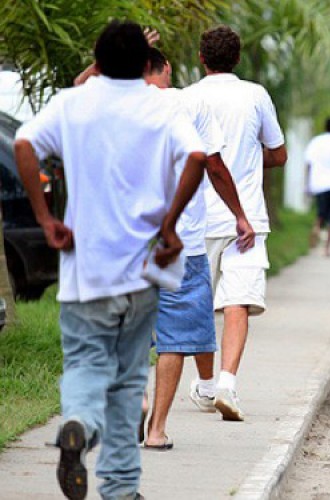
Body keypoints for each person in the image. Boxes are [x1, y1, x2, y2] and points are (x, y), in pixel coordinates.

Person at [14, 21, 206, 499]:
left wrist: (44, 218)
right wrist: (169, 224)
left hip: (85, 270)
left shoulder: (73, 104)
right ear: (147, 65)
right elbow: (198, 157)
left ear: (96, 62)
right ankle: (120, 488)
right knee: (126, 380)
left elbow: (23, 144)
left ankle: (79, 419)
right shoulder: (162, 106)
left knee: (84, 362)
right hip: (141, 271)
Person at [138, 48, 255, 449]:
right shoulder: (192, 102)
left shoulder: (116, 105)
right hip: (181, 244)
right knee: (173, 339)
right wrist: (240, 214)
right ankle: (156, 431)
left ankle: (137, 397)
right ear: (166, 68)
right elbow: (215, 167)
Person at [183, 25, 287, 421]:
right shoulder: (256, 95)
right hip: (247, 218)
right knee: (236, 302)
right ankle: (228, 383)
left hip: (198, 219)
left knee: (197, 305)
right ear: (238, 58)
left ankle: (207, 386)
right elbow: (278, 155)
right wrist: (246, 158)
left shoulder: (187, 98)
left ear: (201, 58)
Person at [305, 117, 330, 257]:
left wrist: (308, 184)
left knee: (321, 213)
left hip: (319, 183)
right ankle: (327, 248)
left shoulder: (316, 142)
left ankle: (316, 227)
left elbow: (309, 164)